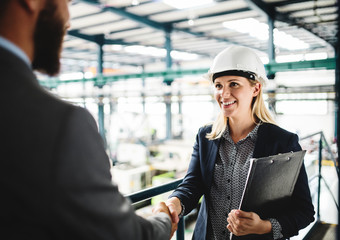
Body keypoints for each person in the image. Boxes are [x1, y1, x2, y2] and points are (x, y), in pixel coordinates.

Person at [0, 0, 176, 239]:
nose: (68, 19)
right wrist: (164, 219)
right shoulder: (60, 124)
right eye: (66, 2)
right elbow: (124, 235)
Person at [166, 45, 315, 240]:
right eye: (218, 85)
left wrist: (264, 226)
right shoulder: (205, 137)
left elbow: (303, 211)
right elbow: (192, 185)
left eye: (234, 84)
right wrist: (174, 204)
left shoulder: (283, 142)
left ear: (256, 88)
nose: (224, 94)